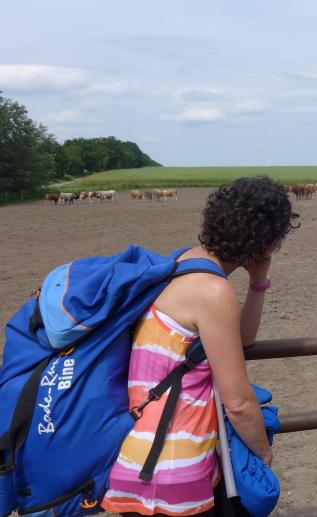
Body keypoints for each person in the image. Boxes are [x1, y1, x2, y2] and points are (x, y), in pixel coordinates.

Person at [101, 177, 298, 516]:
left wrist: (258, 281)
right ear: (267, 239)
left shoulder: (181, 264)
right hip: (175, 469)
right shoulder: (212, 291)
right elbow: (238, 403)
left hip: (139, 457)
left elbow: (240, 340)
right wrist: (263, 453)